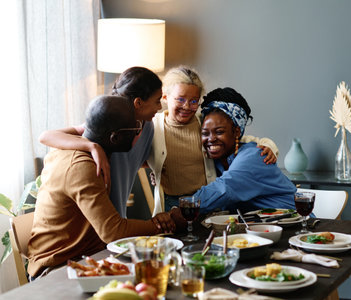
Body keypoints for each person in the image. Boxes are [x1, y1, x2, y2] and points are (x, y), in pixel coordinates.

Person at [27, 95, 185, 279]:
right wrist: (162, 223)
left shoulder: (74, 146)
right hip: (56, 269)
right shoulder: (82, 167)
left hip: (90, 256)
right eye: (136, 130)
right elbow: (113, 231)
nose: (139, 134)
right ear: (115, 137)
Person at [147, 66, 280, 213]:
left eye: (193, 101)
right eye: (180, 99)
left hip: (207, 199)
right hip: (170, 202)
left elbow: (243, 139)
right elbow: (140, 157)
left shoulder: (203, 123)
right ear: (165, 97)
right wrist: (156, 171)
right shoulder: (154, 128)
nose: (186, 106)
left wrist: (269, 146)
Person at [38, 67, 162, 217]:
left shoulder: (148, 128)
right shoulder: (107, 126)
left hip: (119, 216)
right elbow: (46, 136)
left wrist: (158, 172)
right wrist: (92, 146)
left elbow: (139, 160)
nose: (160, 107)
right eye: (157, 101)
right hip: (95, 218)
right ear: (138, 103)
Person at [193, 87, 296, 213]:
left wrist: (181, 208)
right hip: (259, 227)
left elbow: (223, 190)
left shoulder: (254, 156)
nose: (211, 139)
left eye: (219, 132)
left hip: (295, 223)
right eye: (205, 133)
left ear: (236, 132)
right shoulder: (217, 161)